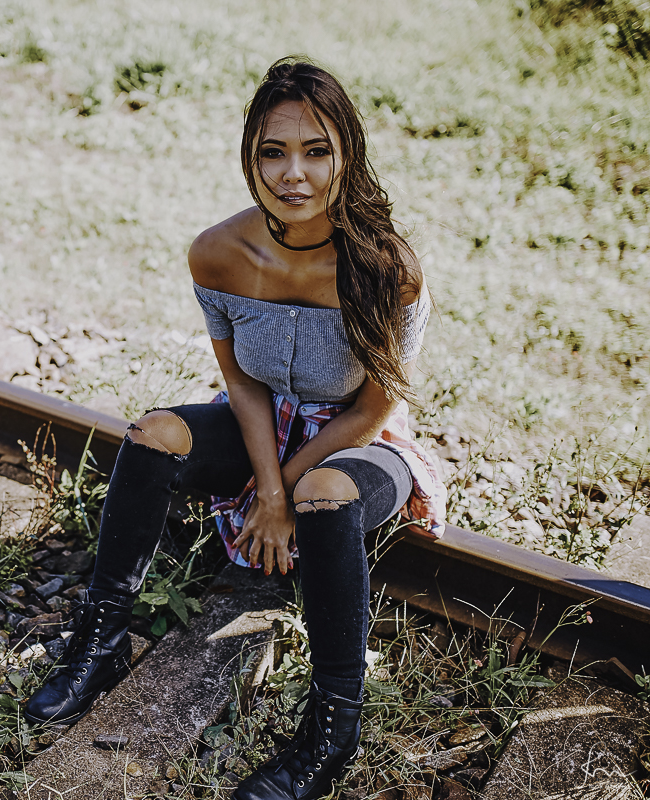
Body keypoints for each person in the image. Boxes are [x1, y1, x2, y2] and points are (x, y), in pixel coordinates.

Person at [23, 55, 448, 800]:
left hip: (357, 443)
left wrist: (281, 492)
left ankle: (332, 729)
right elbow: (242, 384)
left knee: (322, 489)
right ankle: (101, 638)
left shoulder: (388, 268)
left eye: (317, 151)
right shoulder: (217, 252)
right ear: (249, 156)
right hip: (263, 424)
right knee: (155, 432)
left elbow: (373, 409)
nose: (295, 174)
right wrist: (265, 486)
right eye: (272, 152)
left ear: (347, 153)